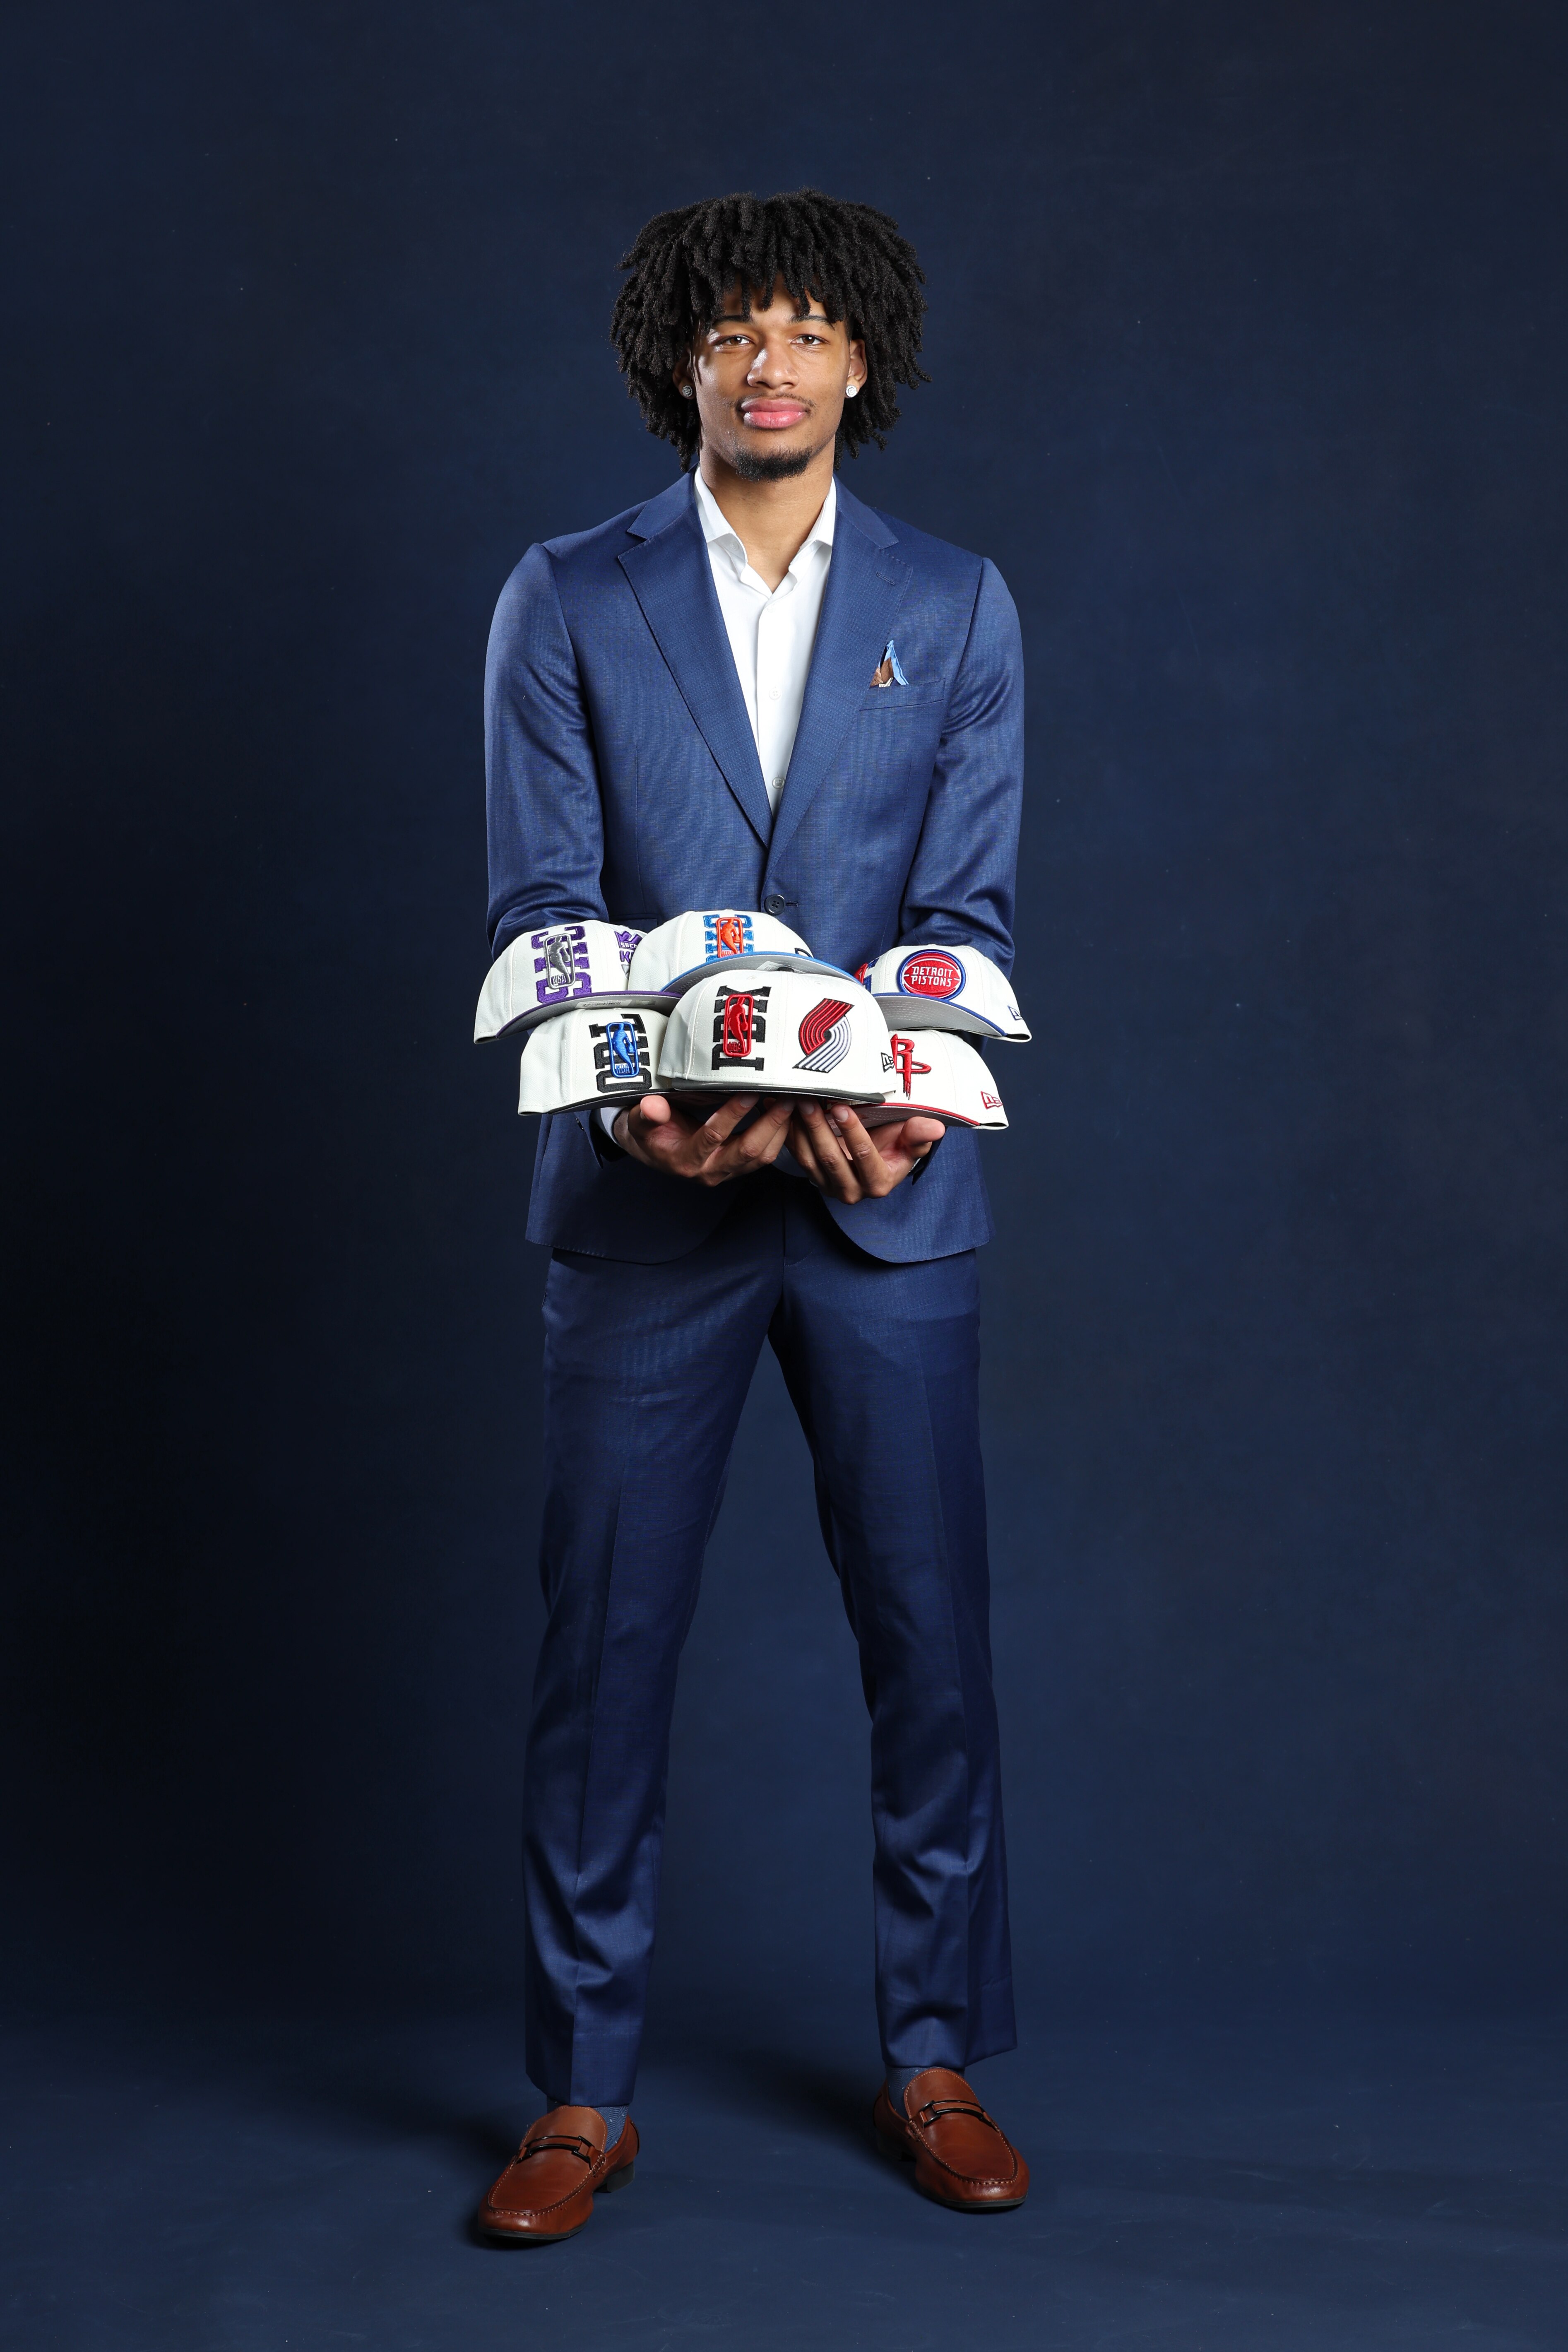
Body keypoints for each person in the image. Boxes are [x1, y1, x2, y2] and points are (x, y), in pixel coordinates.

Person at [478, 188, 1028, 2244]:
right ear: (682, 365)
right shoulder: (564, 593)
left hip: (889, 1206)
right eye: (734, 334)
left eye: (805, 330)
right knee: (598, 1651)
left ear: (858, 362)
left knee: (930, 1646)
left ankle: (935, 2053)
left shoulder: (959, 604)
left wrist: (893, 1102)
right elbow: (540, 920)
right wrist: (644, 1120)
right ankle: (578, 2088)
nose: (770, 363)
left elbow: (963, 926)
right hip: (646, 1212)